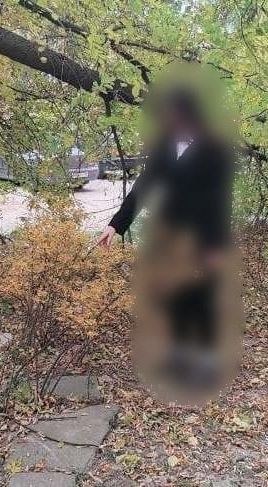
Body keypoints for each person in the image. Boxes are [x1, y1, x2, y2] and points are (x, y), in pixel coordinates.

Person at [97, 79, 237, 399]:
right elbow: (143, 189)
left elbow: (222, 200)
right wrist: (115, 226)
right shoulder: (163, 146)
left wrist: (216, 245)